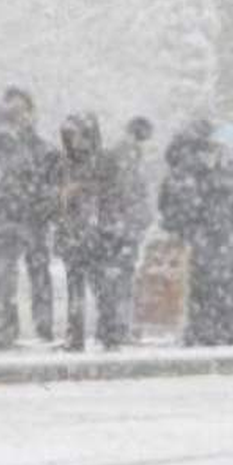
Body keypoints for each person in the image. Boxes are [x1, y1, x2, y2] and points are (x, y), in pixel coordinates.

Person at [159, 122, 233, 345]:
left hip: (213, 237)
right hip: (225, 237)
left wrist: (186, 227)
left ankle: (209, 330)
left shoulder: (196, 173)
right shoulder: (229, 174)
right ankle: (227, 329)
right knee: (225, 285)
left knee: (210, 286)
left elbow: (175, 206)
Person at [0, 87, 57, 347]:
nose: (18, 116)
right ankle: (2, 328)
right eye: (12, 111)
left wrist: (43, 205)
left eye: (22, 110)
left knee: (39, 273)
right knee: (2, 276)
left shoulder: (42, 148)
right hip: (5, 219)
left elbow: (51, 183)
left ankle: (43, 327)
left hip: (33, 219)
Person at [53, 112, 128, 351]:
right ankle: (75, 335)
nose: (76, 141)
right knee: (75, 288)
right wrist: (62, 198)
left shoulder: (106, 161)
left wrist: (83, 189)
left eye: (80, 135)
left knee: (103, 287)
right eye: (71, 136)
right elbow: (52, 199)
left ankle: (109, 334)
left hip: (99, 234)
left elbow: (116, 195)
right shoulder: (62, 164)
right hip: (72, 233)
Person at [106, 116, 155, 340]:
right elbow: (129, 191)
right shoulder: (128, 154)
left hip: (123, 225)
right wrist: (140, 217)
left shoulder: (124, 152)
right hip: (124, 227)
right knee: (123, 275)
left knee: (120, 275)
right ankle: (120, 325)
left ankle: (118, 324)